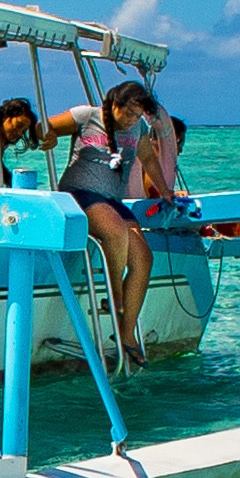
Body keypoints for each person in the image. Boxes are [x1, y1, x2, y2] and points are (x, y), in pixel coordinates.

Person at [54, 82, 167, 367]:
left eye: (136, 115)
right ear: (113, 103)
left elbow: (149, 160)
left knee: (143, 258)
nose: (131, 120)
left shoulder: (138, 128)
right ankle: (114, 299)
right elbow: (47, 126)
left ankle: (126, 334)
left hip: (111, 199)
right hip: (79, 194)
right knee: (116, 232)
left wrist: (165, 191)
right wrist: (46, 137)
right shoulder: (86, 116)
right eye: (128, 114)